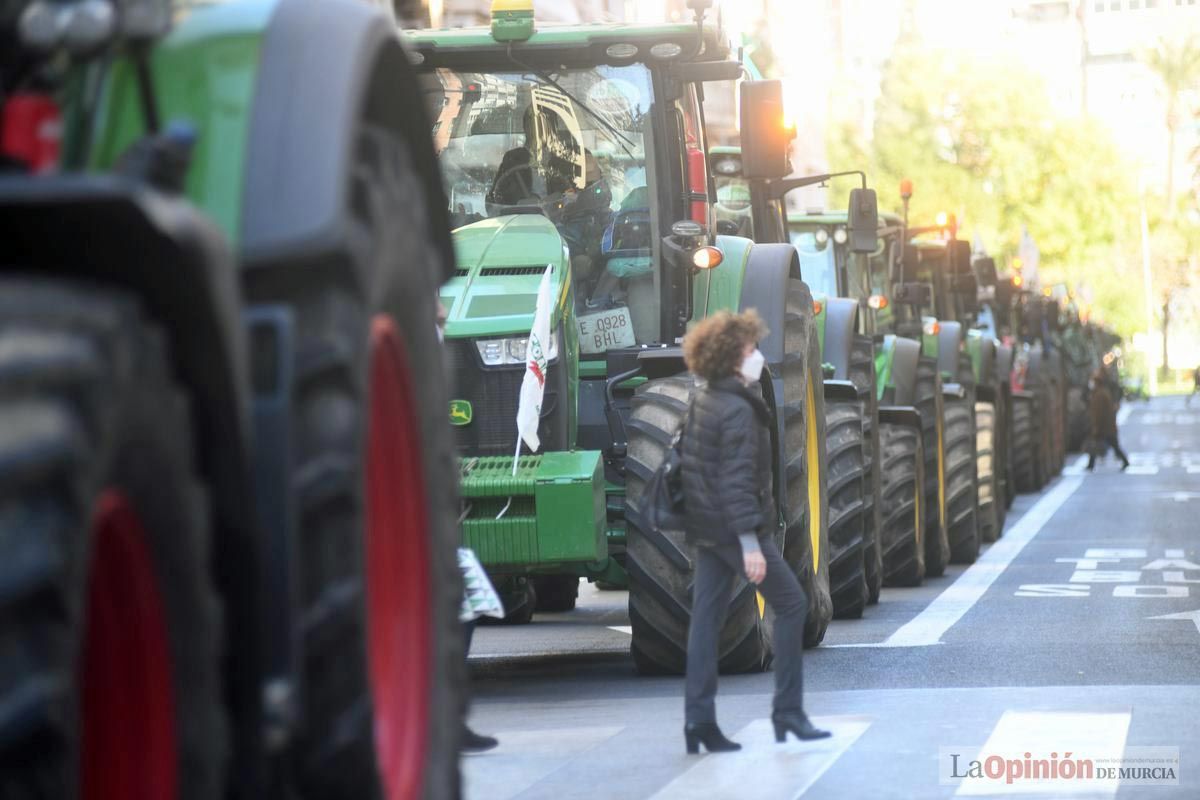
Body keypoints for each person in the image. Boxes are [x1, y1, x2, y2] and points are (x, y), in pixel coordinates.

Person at [678, 309, 831, 754]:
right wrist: (749, 544)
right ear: (731, 356)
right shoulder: (739, 409)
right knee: (792, 602)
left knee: (705, 622)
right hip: (737, 530)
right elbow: (737, 480)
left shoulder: (706, 399)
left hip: (707, 528)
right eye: (750, 349)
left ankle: (698, 721)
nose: (757, 356)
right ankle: (788, 712)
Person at [1087, 367, 1130, 472]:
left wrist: (1097, 427)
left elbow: (1099, 413)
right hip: (1107, 427)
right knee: (1098, 445)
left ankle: (1125, 461)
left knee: (1112, 445)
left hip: (1105, 428)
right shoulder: (1102, 393)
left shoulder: (1100, 395)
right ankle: (1090, 464)